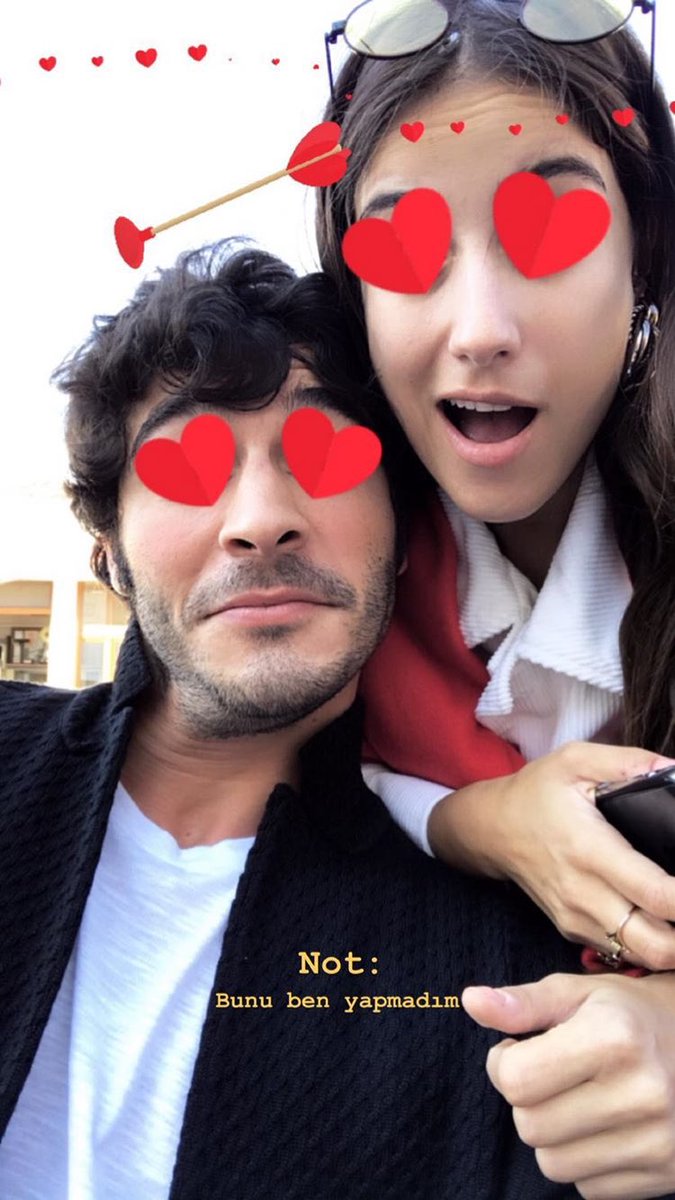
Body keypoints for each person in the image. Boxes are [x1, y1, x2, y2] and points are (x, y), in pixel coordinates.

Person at [0, 239, 593, 1200]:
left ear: (404, 541)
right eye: (187, 466)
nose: (261, 518)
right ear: (108, 552)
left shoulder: (501, 974)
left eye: (325, 454)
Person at [315, 0, 675, 1196]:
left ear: (645, 255)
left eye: (552, 229)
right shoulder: (320, 578)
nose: (479, 330)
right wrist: (487, 821)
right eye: (403, 251)